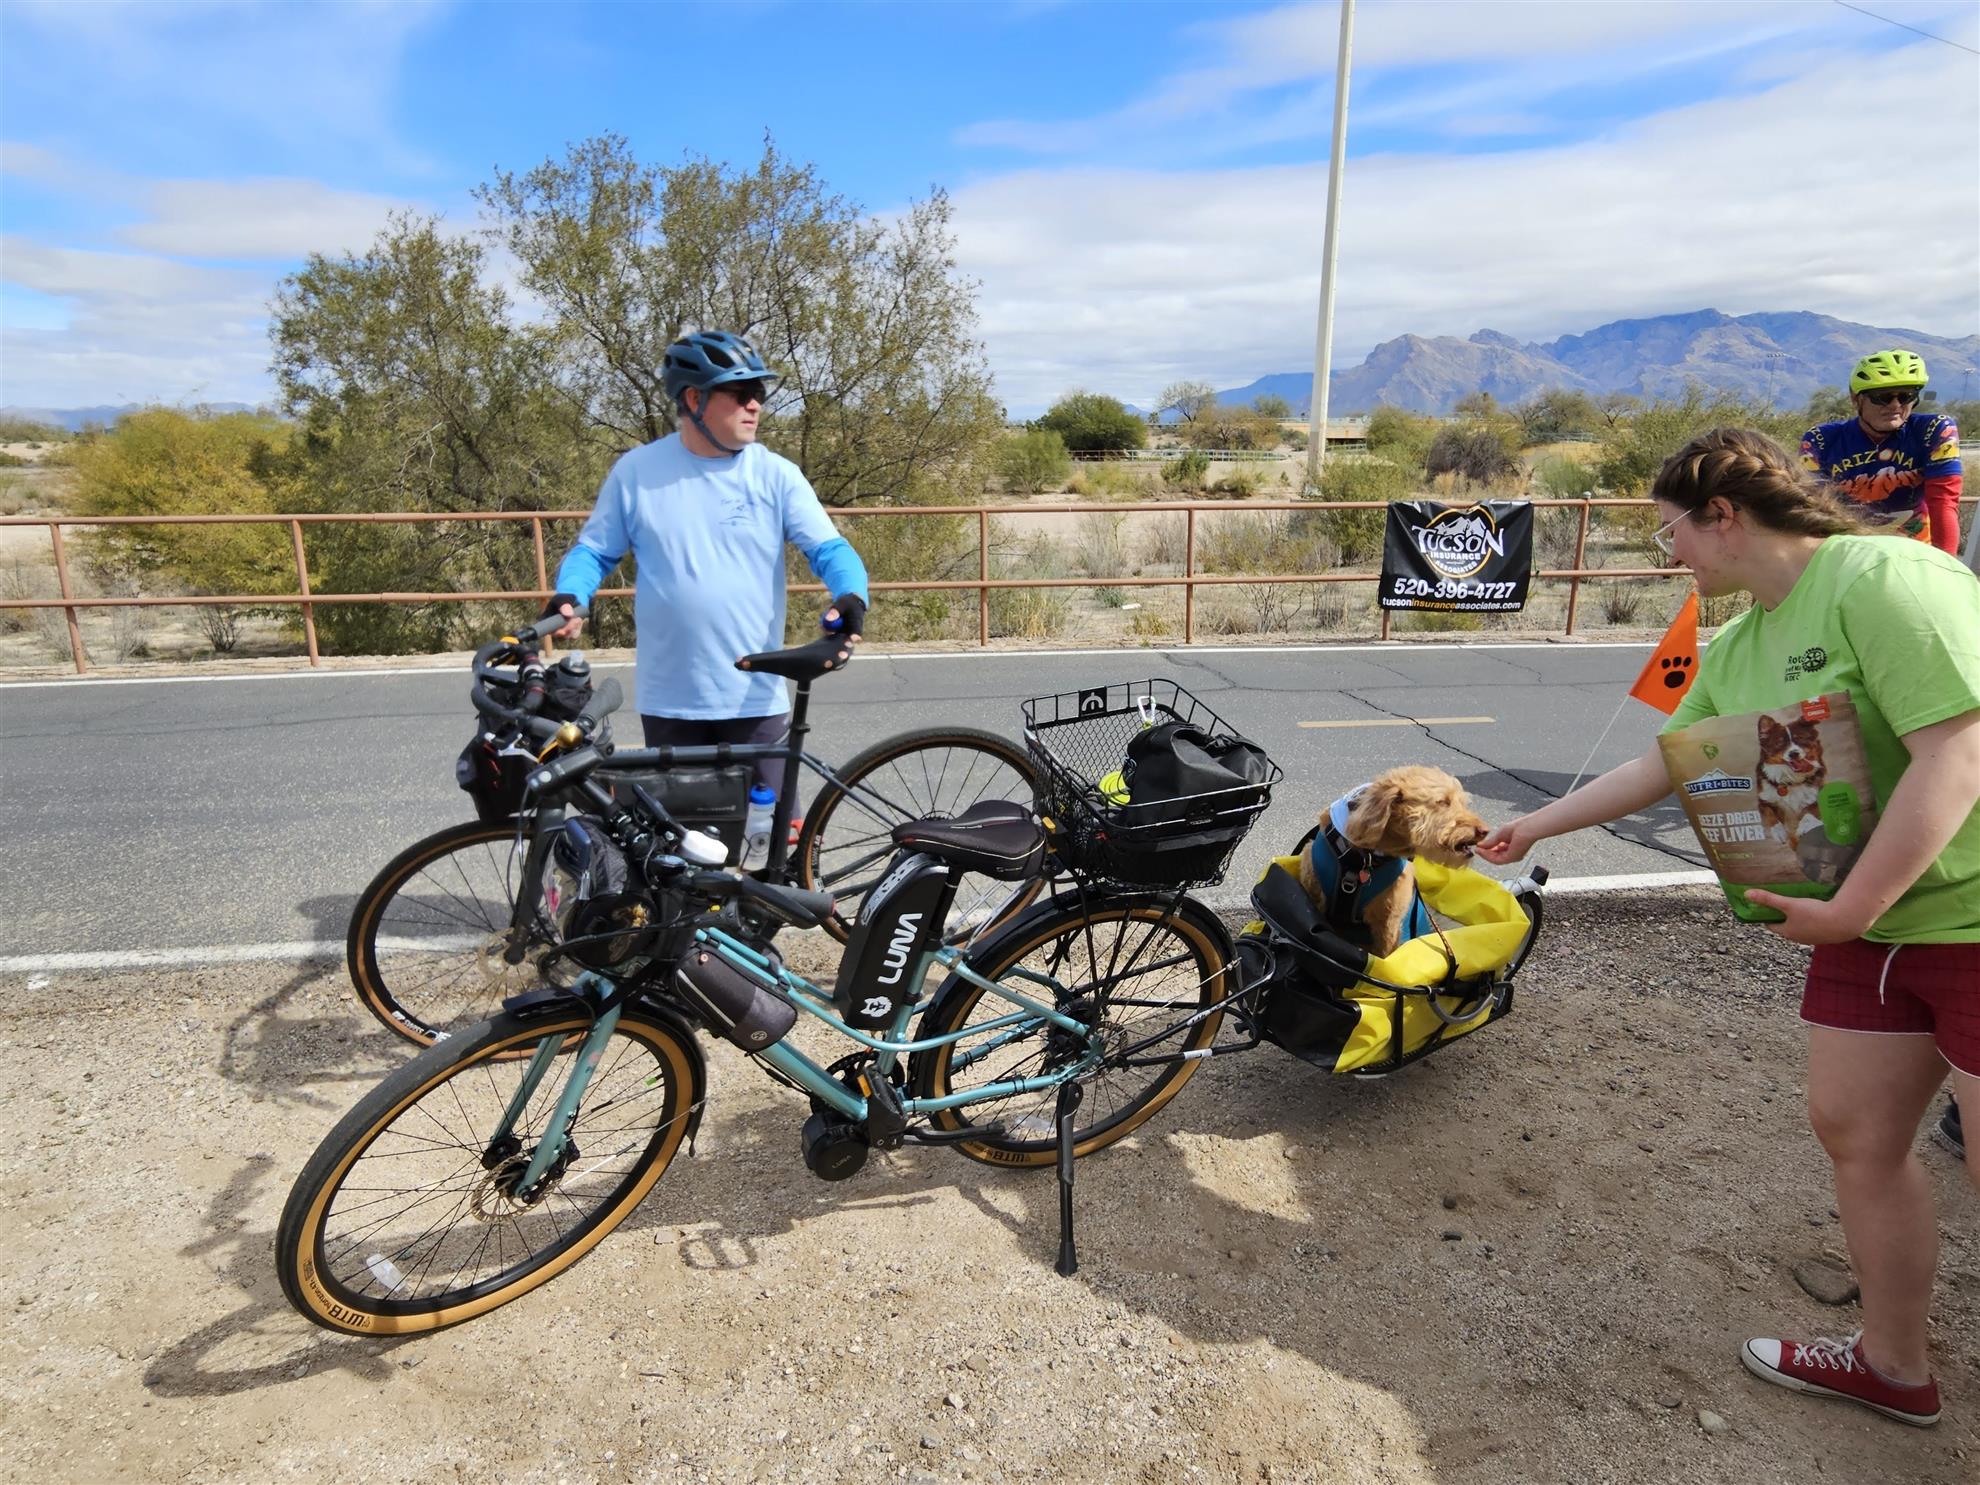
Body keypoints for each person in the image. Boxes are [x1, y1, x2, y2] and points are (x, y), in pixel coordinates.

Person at [1479, 427, 1980, 1428]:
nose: (1669, 556)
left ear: (1723, 514)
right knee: (1855, 1132)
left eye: (1670, 532)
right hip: (1862, 927)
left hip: (1959, 919)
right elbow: (1669, 761)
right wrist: (1532, 826)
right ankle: (1893, 1368)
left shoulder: (1885, 579)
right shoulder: (1745, 640)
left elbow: (1956, 753)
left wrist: (1851, 907)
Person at [542, 330, 869, 825]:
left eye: (760, 393)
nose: (755, 404)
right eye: (741, 393)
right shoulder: (637, 472)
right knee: (679, 848)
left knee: (779, 842)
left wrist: (851, 594)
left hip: (755, 698)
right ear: (694, 400)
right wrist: (571, 593)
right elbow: (594, 551)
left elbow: (829, 549)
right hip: (670, 701)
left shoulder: (775, 474)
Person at [1800, 349, 1963, 554]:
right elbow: (1811, 508)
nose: (1895, 405)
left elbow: (1944, 501)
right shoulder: (1819, 440)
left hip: (1914, 550)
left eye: (1906, 396)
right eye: (1882, 397)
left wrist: (1946, 564)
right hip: (1848, 551)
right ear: (1855, 399)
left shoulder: (1935, 429)